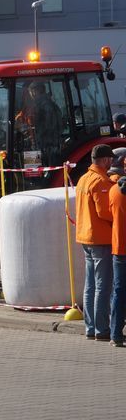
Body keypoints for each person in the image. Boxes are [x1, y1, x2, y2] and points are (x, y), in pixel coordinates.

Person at [76, 144, 116, 341]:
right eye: (110, 159)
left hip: (86, 237)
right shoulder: (100, 181)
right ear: (105, 160)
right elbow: (105, 213)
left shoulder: (83, 179)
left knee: (90, 285)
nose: (112, 163)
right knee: (103, 286)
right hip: (100, 238)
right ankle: (102, 329)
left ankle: (91, 327)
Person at [109, 173, 126, 347]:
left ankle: (116, 334)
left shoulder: (114, 190)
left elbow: (109, 213)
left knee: (119, 291)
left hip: (119, 247)